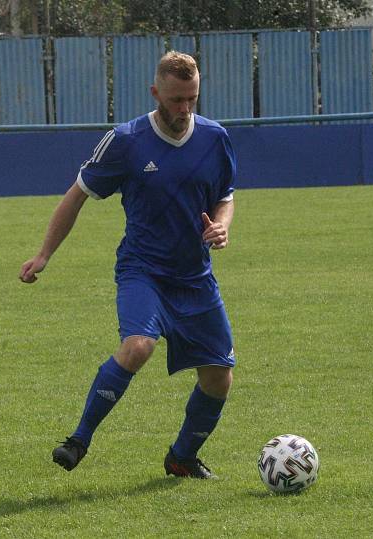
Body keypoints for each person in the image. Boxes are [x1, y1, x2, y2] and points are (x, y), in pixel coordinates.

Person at [19, 52, 236, 479]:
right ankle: (77, 440)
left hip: (195, 277)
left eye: (192, 99)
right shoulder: (126, 140)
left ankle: (182, 458)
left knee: (219, 379)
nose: (184, 109)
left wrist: (222, 226)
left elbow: (224, 195)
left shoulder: (215, 138)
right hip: (144, 271)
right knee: (139, 346)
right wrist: (44, 254)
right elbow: (77, 194)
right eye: (175, 99)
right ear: (155, 92)